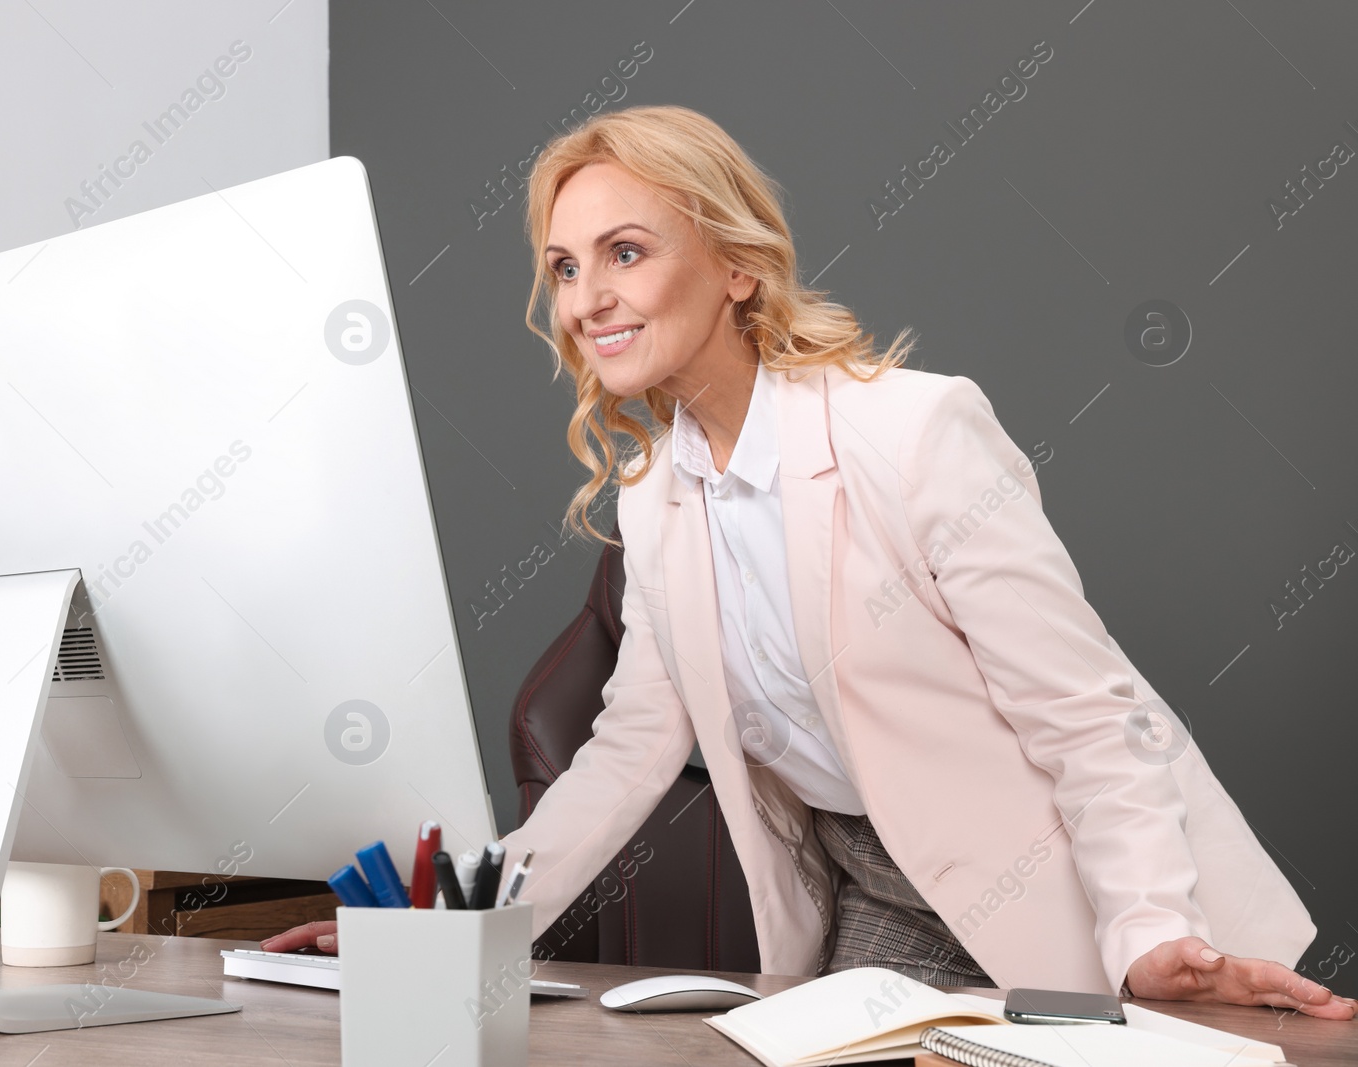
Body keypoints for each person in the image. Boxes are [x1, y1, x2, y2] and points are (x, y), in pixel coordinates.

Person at [265, 104, 1354, 1019]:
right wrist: (446, 928)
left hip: (1070, 880)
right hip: (877, 880)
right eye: (563, 266)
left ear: (736, 266)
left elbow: (1086, 716)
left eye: (625, 252)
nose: (584, 297)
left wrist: (1149, 932)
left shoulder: (915, 435)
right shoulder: (654, 496)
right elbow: (626, 749)